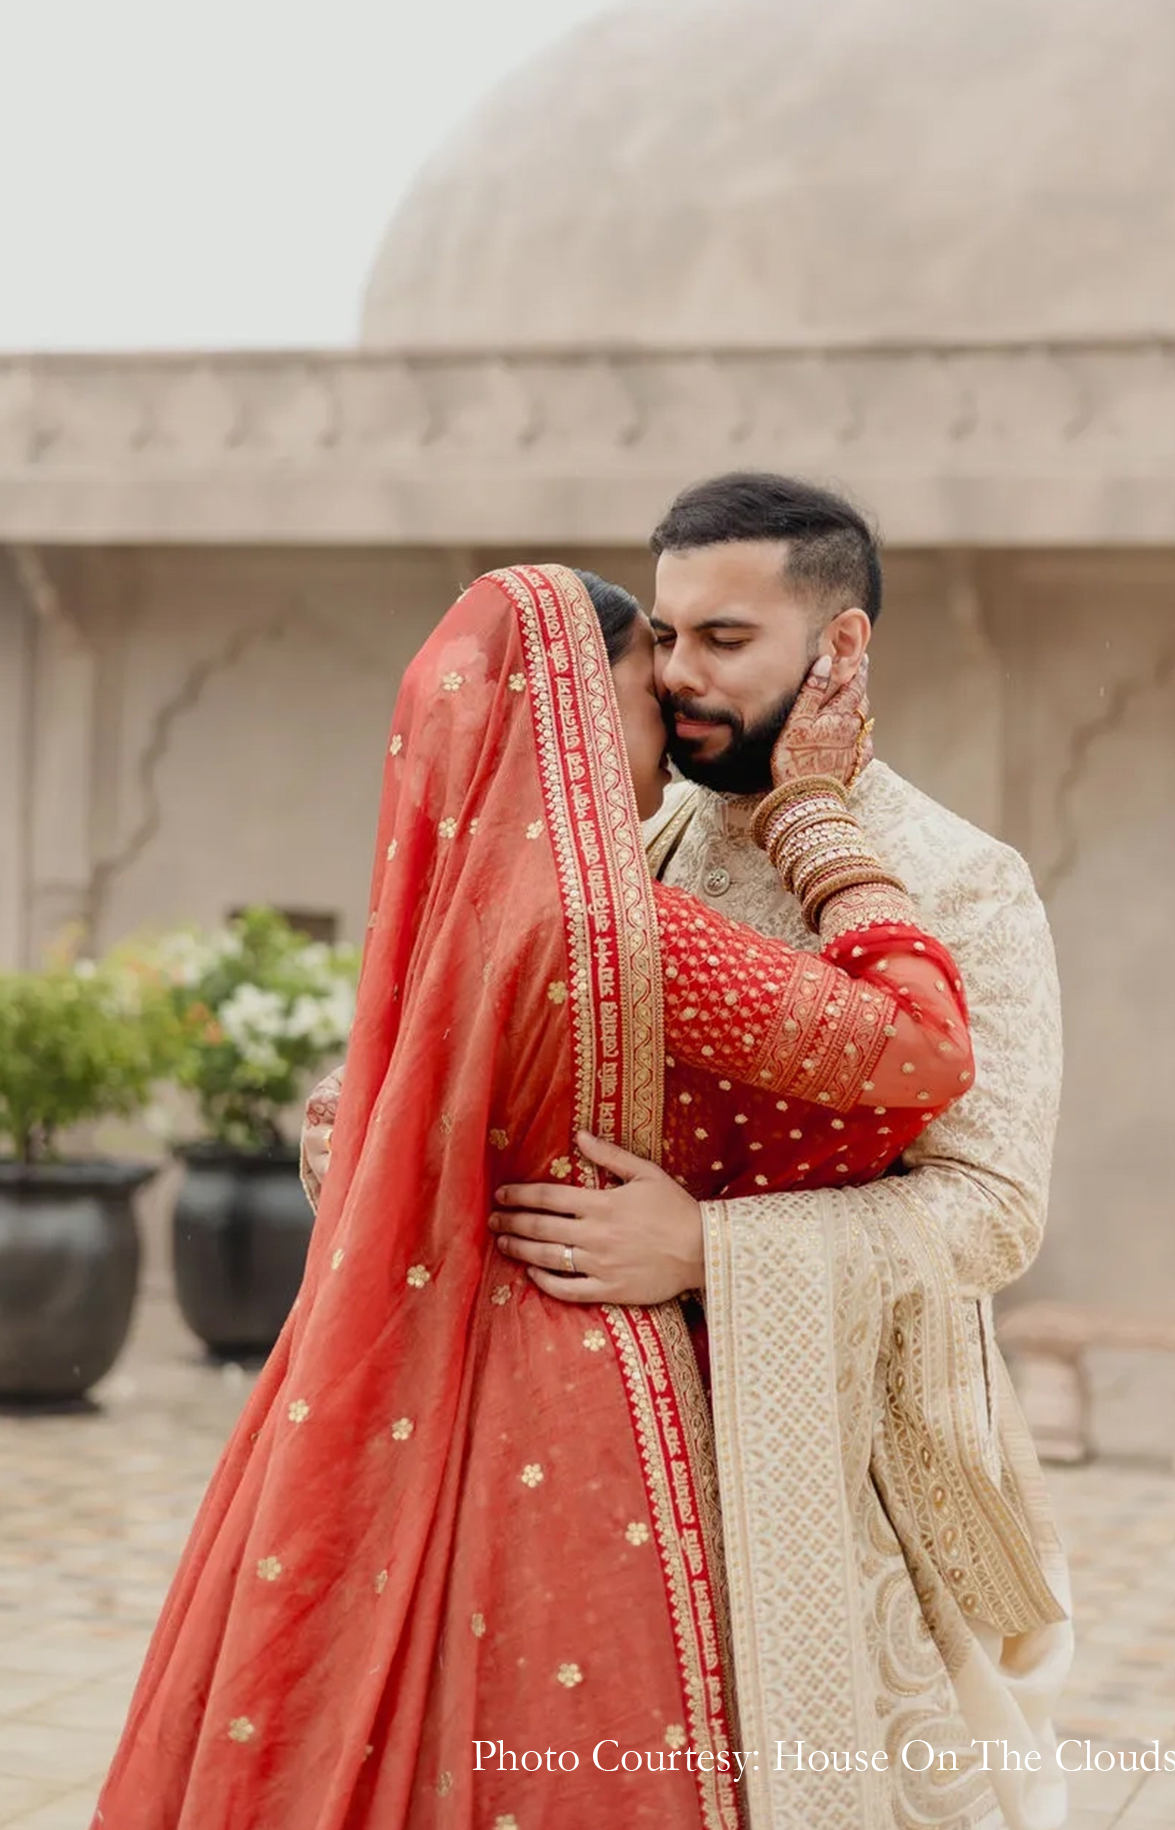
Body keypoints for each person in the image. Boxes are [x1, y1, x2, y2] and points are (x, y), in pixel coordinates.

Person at [95, 561, 978, 1830]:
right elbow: (921, 1049)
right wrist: (818, 822)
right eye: (646, 673)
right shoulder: (622, 928)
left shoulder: (443, 922)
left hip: (394, 1369)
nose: (671, 718)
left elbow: (362, 1130)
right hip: (570, 1382)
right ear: (570, 698)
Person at [484, 480, 1074, 1830]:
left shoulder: (961, 878)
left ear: (842, 648)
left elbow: (992, 1210)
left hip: (849, 1475)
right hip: (599, 1450)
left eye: (726, 640)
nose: (678, 675)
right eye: (668, 635)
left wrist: (710, 1250)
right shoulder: (643, 844)